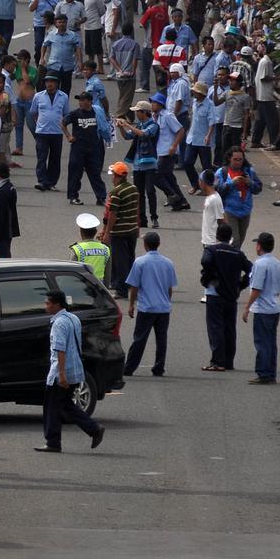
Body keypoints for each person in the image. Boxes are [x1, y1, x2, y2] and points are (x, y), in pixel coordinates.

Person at [35, 290, 106, 453]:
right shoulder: (73, 318)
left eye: (48, 303)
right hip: (75, 369)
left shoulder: (59, 323)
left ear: (57, 304)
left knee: (52, 406)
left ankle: (53, 442)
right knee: (65, 405)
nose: (45, 306)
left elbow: (60, 349)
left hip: (62, 371)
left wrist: (61, 374)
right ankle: (94, 429)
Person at [124, 232, 177, 377]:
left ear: (145, 245)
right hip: (163, 307)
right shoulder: (168, 263)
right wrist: (167, 301)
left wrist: (131, 305)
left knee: (139, 339)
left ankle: (129, 368)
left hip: (146, 307)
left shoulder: (140, 262)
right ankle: (159, 367)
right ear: (158, 244)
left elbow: (134, 286)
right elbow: (170, 288)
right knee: (161, 339)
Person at [201, 223, 250, 372]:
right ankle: (228, 361)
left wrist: (210, 278)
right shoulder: (237, 253)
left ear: (217, 235)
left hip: (215, 295)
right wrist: (241, 285)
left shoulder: (211, 250)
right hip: (231, 295)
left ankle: (217, 361)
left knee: (215, 328)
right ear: (230, 237)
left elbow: (205, 262)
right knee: (229, 329)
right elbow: (251, 270)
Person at [243, 232, 280, 385]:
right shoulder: (277, 263)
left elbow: (257, 288)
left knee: (262, 342)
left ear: (259, 246)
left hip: (263, 309)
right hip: (274, 307)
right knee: (271, 342)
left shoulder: (260, 264)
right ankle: (270, 372)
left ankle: (264, 373)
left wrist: (247, 307)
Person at [63, 92, 111, 206]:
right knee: (75, 173)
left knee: (95, 173)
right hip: (78, 148)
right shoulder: (75, 114)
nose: (80, 102)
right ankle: (73, 197)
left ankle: (101, 197)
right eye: (79, 100)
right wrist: (68, 136)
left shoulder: (96, 113)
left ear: (89, 101)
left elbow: (104, 126)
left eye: (82, 100)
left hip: (94, 147)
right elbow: (63, 122)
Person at [101, 162, 140, 298]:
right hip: (132, 230)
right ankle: (130, 283)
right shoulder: (134, 188)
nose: (112, 178)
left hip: (119, 232)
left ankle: (121, 289)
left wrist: (106, 233)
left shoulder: (116, 193)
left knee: (120, 260)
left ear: (117, 177)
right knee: (130, 257)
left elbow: (112, 215)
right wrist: (138, 225)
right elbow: (137, 208)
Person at [213, 147, 262, 250]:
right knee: (234, 241)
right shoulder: (221, 172)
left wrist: (249, 182)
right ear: (229, 159)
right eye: (235, 159)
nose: (238, 162)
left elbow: (258, 188)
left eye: (240, 159)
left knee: (240, 241)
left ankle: (232, 259)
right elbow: (216, 191)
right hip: (229, 211)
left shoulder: (249, 171)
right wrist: (231, 183)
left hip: (245, 211)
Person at [30, 74, 69, 192]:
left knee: (55, 158)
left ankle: (51, 182)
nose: (49, 84)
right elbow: (34, 112)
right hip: (42, 132)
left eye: (52, 82)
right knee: (41, 157)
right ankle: (42, 181)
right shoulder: (38, 96)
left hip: (57, 132)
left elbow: (66, 113)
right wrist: (39, 123)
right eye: (47, 82)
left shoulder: (64, 97)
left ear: (57, 83)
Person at [68, 212, 110, 281]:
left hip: (82, 286)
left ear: (81, 232)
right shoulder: (105, 249)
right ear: (95, 232)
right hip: (99, 286)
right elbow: (107, 275)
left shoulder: (76, 249)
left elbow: (72, 273)